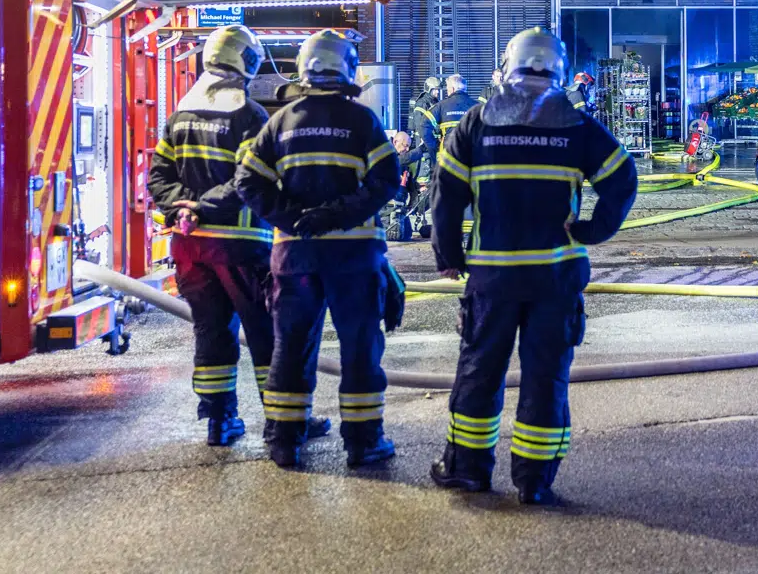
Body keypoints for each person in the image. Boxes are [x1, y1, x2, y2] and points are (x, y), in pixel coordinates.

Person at [429, 27, 639, 505]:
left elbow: (446, 196)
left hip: (492, 279)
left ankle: (466, 471)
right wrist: (591, 231)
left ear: (507, 66)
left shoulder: (476, 123)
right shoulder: (578, 127)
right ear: (559, 72)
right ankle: (534, 481)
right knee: (546, 378)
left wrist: (449, 256)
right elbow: (623, 178)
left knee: (480, 373)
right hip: (555, 278)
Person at [146, 25, 329, 447]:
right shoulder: (248, 115)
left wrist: (181, 208)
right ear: (246, 61)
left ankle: (220, 421)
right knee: (267, 334)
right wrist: (203, 207)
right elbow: (249, 181)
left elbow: (158, 176)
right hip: (242, 249)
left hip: (191, 249)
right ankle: (282, 422)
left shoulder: (180, 115)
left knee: (211, 333)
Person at [237, 29, 402, 469]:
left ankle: (284, 441)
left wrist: (290, 217)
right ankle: (364, 443)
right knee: (361, 349)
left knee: (290, 348)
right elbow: (386, 180)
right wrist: (338, 215)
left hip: (296, 258)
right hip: (355, 260)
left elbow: (247, 181)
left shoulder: (280, 121)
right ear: (347, 69)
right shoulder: (362, 121)